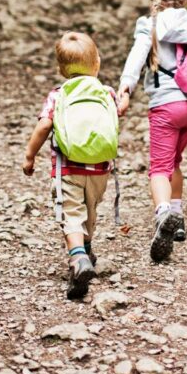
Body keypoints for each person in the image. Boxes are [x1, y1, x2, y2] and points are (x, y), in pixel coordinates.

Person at [117, 0, 187, 263]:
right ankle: (177, 220)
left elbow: (137, 55)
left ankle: (162, 216)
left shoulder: (150, 25)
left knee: (159, 168)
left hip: (166, 105)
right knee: (175, 162)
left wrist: (125, 87)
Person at [22, 32, 116, 300]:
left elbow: (44, 125)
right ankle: (87, 248)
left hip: (68, 169)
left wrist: (30, 155)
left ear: (61, 70)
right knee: (90, 209)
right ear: (97, 64)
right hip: (100, 169)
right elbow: (117, 112)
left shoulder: (58, 94)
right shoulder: (106, 92)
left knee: (71, 213)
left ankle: (78, 259)